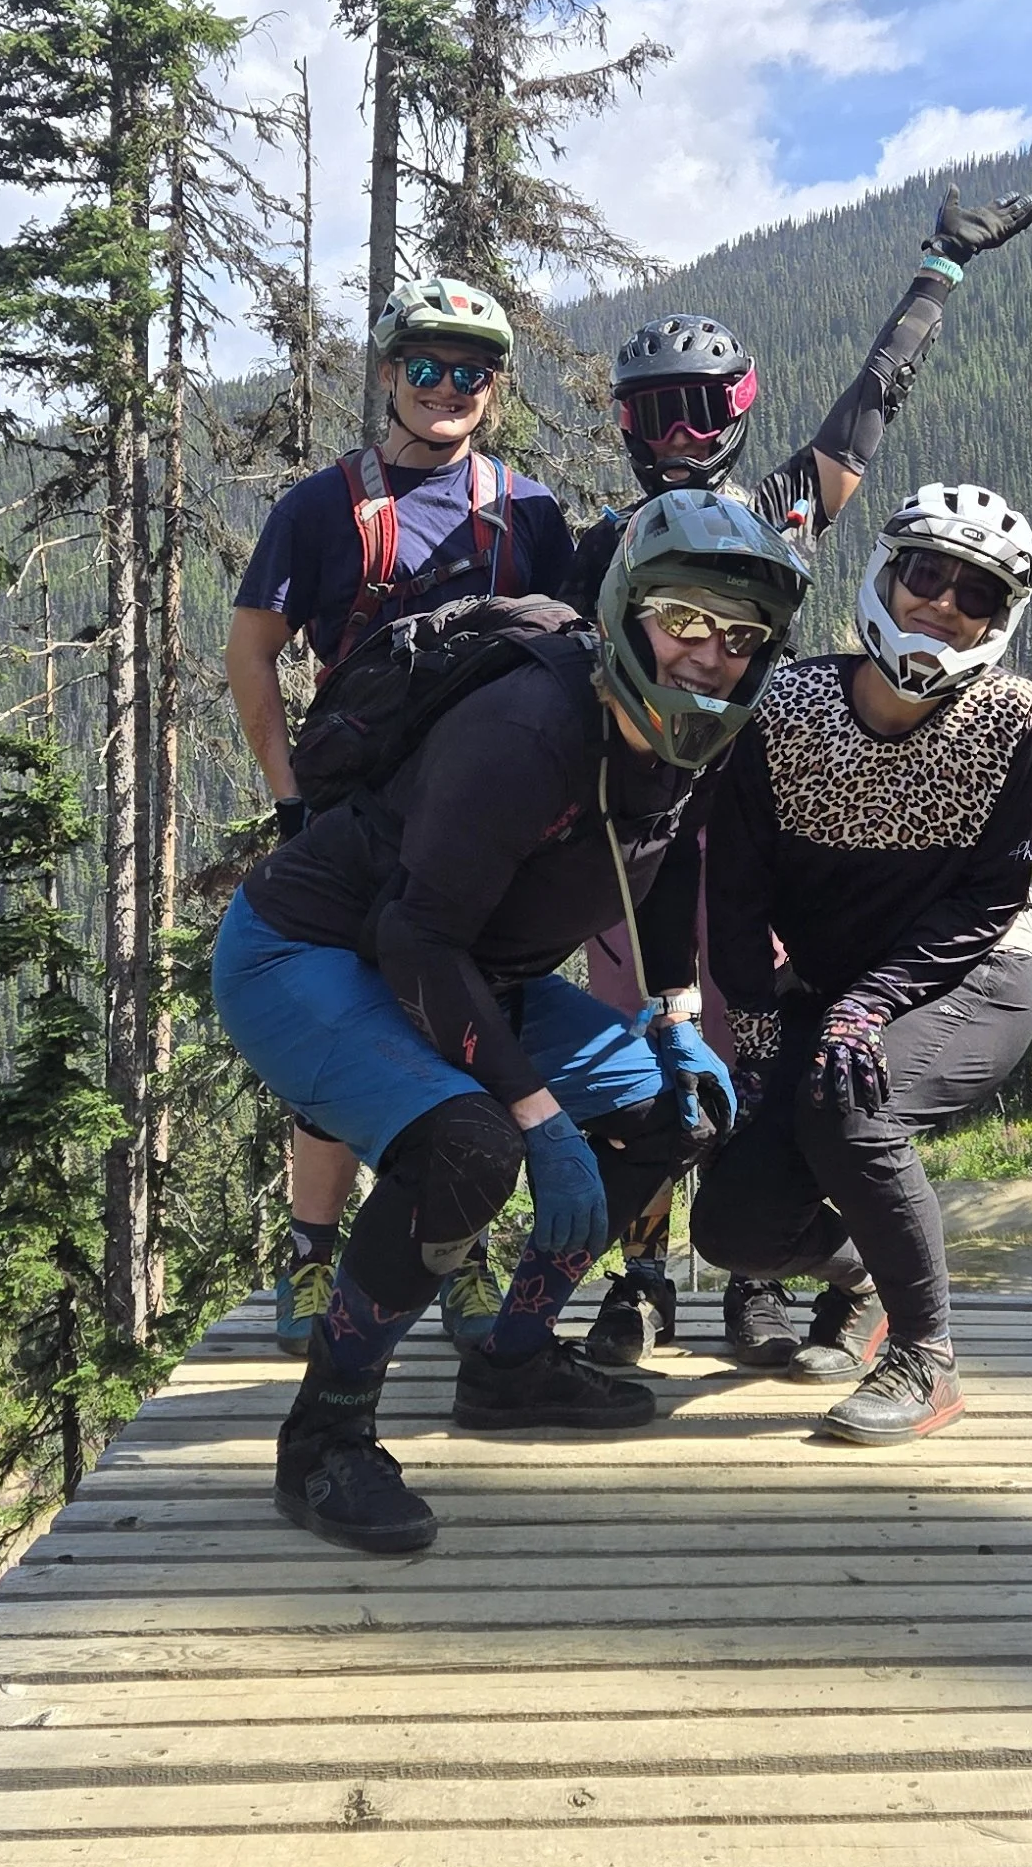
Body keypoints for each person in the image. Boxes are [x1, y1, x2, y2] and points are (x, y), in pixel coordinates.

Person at [212, 491, 810, 1556]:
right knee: (466, 1151)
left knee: (672, 1112)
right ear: (627, 612)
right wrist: (535, 1116)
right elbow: (415, 940)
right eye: (682, 619)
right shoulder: (527, 730)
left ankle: (512, 1363)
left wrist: (675, 1020)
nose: (706, 656)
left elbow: (670, 862)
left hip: (475, 964)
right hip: (315, 953)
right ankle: (325, 1435)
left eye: (738, 636)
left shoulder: (705, 732)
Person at [572, 181, 1032, 1366]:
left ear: (734, 412)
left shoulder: (774, 511)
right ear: (627, 423)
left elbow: (872, 403)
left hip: (765, 840)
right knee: (651, 1062)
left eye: (703, 410)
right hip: (640, 840)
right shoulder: (593, 548)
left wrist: (939, 269)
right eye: (657, 413)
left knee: (762, 1050)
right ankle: (641, 1281)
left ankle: (773, 1280)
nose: (682, 435)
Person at [224, 274, 576, 1355]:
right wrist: (287, 796)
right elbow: (250, 651)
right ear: (385, 376)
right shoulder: (323, 507)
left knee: (474, 1027)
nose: (446, 389)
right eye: (424, 367)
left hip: (481, 818)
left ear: (495, 393)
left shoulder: (526, 512)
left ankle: (457, 1256)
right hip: (352, 812)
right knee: (340, 1036)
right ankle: (309, 1255)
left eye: (470, 374)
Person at [694, 482, 1032, 1442]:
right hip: (831, 984)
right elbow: (734, 890)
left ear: (998, 618)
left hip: (976, 971)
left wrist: (871, 1003)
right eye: (925, 574)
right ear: (885, 577)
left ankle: (926, 1356)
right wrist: (759, 1034)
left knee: (848, 1106)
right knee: (731, 1227)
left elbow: (990, 894)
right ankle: (868, 1265)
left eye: (973, 592)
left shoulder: (1012, 718)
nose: (941, 602)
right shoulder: (786, 708)